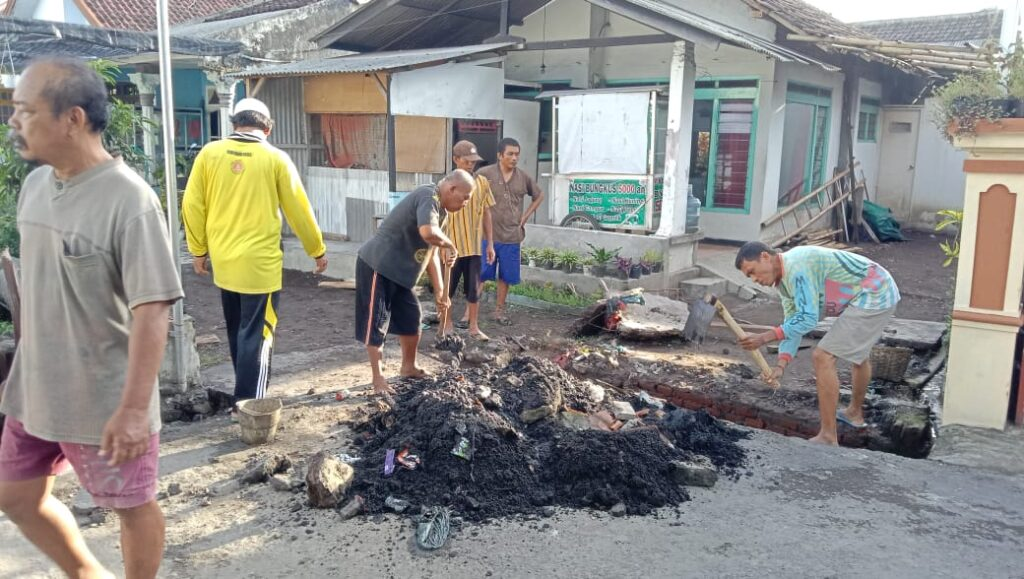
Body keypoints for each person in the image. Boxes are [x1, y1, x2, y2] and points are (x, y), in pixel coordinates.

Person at [0, 57, 184, 579]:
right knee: (14, 496)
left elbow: (153, 311)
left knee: (130, 507)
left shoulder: (130, 202)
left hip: (101, 400)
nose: (15, 122)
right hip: (34, 390)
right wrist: (17, 373)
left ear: (72, 119)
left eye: (25, 111)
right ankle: (85, 572)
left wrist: (131, 411)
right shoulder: (36, 187)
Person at [182, 98, 327, 412]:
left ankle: (242, 396)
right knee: (258, 336)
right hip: (260, 267)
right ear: (269, 128)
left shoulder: (209, 153)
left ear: (234, 123)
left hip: (224, 263)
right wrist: (317, 250)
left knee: (237, 330)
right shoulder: (275, 158)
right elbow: (298, 210)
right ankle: (250, 406)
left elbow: (192, 205)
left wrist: (198, 250)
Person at [734, 242, 900, 446]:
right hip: (872, 289)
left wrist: (764, 337)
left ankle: (829, 436)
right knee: (859, 355)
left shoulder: (797, 267)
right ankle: (854, 413)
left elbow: (807, 318)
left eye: (752, 272)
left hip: (875, 294)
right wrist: (781, 364)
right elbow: (793, 321)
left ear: (765, 257)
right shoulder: (783, 281)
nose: (754, 280)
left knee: (822, 356)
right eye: (748, 277)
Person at [356, 170, 473, 394]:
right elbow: (429, 233)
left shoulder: (441, 212)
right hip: (378, 266)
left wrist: (440, 291)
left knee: (412, 318)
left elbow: (430, 252)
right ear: (452, 189)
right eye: (465, 197)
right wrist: (450, 244)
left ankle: (408, 367)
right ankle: (378, 378)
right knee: (376, 323)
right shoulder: (428, 196)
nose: (466, 203)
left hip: (402, 274)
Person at [476, 138, 544, 325]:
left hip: (511, 236)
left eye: (517, 154)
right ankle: (469, 313)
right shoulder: (484, 174)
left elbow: (539, 195)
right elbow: (471, 195)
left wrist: (525, 217)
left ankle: (499, 311)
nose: (514, 158)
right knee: (481, 274)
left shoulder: (523, 177)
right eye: (510, 154)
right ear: (500, 156)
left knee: (505, 276)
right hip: (486, 236)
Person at [445, 140, 496, 341]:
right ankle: (446, 325)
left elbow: (486, 213)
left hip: (474, 247)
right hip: (451, 246)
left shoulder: (482, 183)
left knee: (473, 290)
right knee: (447, 289)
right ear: (455, 159)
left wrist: (490, 243)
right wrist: (440, 245)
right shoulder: (446, 184)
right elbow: (438, 215)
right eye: (467, 161)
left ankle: (473, 327)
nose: (471, 164)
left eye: (473, 161)